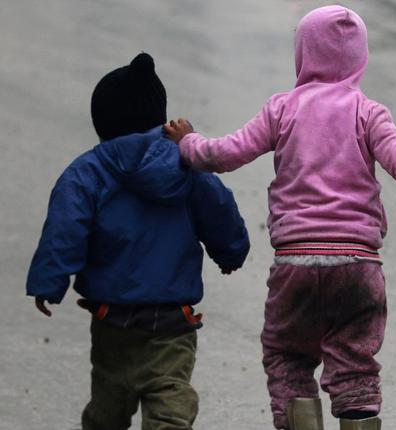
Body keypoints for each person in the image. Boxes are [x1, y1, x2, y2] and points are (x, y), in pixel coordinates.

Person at [164, 5, 396, 429]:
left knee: (288, 356)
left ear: (303, 53)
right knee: (355, 369)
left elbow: (224, 154)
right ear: (360, 58)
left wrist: (188, 142)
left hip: (295, 263)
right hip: (357, 266)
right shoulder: (369, 113)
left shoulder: (282, 109)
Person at [26, 53, 250, 430]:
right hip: (172, 323)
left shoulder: (87, 172)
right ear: (158, 117)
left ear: (103, 122)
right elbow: (218, 209)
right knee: (170, 402)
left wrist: (49, 282)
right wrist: (230, 251)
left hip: (112, 319)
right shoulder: (187, 166)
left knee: (107, 407)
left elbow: (66, 228)